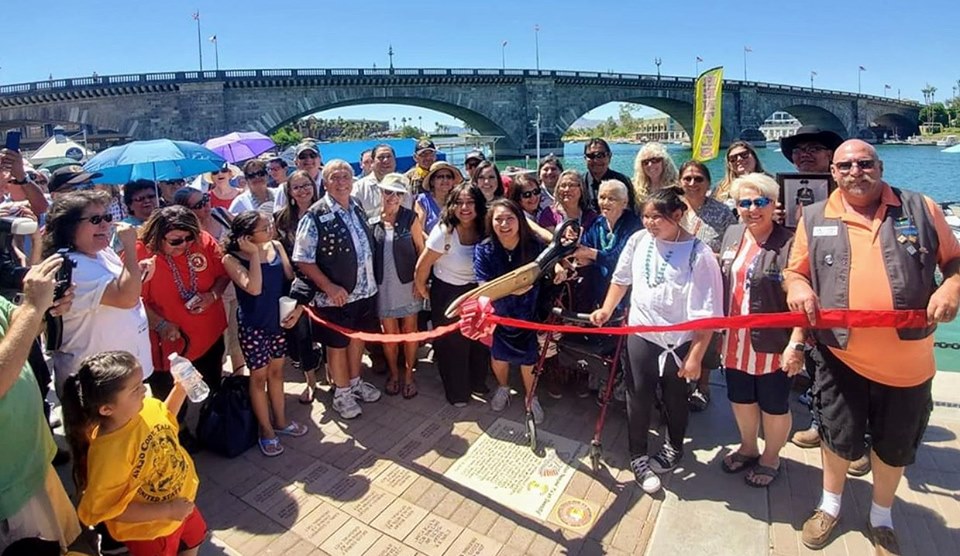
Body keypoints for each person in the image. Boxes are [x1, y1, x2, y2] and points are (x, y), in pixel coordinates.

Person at [785, 139, 960, 554]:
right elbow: (795, 271)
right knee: (836, 437)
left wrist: (951, 288)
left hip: (908, 362)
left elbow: (954, 262)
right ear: (833, 173)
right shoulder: (815, 216)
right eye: (845, 166)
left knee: (894, 445)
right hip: (839, 355)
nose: (855, 172)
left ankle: (881, 515)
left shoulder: (921, 208)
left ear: (879, 166)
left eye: (864, 163)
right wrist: (798, 288)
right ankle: (830, 505)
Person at [590, 186, 722, 495]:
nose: (650, 223)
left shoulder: (699, 255)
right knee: (638, 398)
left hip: (679, 343)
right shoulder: (638, 241)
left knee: (676, 399)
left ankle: (674, 446)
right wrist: (606, 309)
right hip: (641, 334)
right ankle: (638, 456)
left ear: (677, 216)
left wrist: (695, 356)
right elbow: (622, 279)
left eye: (657, 217)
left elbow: (708, 314)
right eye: (645, 216)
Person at [62, 351, 206, 556]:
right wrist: (169, 510)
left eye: (141, 383)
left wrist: (180, 389)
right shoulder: (108, 454)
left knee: (193, 541)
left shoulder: (143, 407)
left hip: (181, 504)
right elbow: (111, 508)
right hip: (150, 530)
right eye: (135, 389)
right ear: (106, 409)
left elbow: (164, 418)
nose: (144, 390)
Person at [717, 173, 799, 488]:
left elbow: (801, 295)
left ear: (773, 203)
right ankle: (749, 447)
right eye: (745, 203)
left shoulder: (790, 241)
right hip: (735, 340)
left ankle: (771, 456)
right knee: (741, 398)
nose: (753, 209)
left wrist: (797, 342)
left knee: (774, 403)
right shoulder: (733, 234)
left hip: (773, 342)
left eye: (760, 201)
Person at [0, 256, 81, 554]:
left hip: (33, 463)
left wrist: (44, 310)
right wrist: (34, 307)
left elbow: (18, 330)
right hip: (10, 493)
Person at [290, 160, 381, 420]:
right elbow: (302, 258)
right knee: (337, 345)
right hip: (335, 296)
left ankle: (354, 382)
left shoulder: (357, 207)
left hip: (365, 291)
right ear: (325, 183)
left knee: (357, 339)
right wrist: (328, 286)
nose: (341, 182)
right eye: (335, 178)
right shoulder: (315, 215)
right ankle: (341, 393)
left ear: (352, 180)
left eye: (345, 177)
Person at [136, 206, 230, 447]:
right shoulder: (140, 254)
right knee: (171, 394)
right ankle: (179, 432)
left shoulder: (202, 240)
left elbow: (222, 274)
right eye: (176, 241)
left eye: (190, 238)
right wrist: (161, 324)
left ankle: (210, 421)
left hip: (209, 333)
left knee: (211, 382)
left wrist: (213, 295)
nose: (185, 245)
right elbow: (132, 301)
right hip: (171, 342)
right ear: (157, 237)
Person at [42, 190, 153, 393]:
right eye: (95, 219)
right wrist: (130, 246)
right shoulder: (69, 265)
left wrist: (138, 269)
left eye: (107, 217)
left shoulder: (101, 252)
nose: (105, 224)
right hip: (98, 384)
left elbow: (123, 283)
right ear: (69, 225)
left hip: (122, 377)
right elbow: (126, 297)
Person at [222, 212, 308, 456]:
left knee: (277, 372)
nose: (270, 228)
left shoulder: (277, 246)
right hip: (254, 327)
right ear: (247, 236)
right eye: (264, 227)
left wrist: (297, 307)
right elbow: (254, 287)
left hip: (278, 323)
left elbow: (290, 279)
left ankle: (280, 421)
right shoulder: (231, 258)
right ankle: (265, 429)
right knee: (258, 378)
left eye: (269, 223)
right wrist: (253, 255)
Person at [414, 183, 490, 406]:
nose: (464, 207)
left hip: (477, 291)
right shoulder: (443, 231)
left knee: (478, 341)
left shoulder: (486, 227)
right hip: (447, 292)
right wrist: (424, 291)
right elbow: (422, 266)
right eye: (459, 202)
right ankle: (457, 392)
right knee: (453, 345)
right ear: (451, 206)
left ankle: (477, 381)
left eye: (470, 202)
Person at [475, 199, 545, 421]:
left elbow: (547, 272)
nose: (504, 224)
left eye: (510, 218)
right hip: (499, 316)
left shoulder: (534, 246)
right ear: (491, 222)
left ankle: (531, 397)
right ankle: (503, 387)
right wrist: (509, 291)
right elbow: (482, 285)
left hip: (529, 315)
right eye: (498, 219)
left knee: (529, 359)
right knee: (499, 356)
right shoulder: (484, 249)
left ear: (520, 221)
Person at [677, 160, 738, 411]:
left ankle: (703, 387)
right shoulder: (673, 208)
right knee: (680, 336)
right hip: (677, 282)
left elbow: (732, 247)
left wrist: (715, 257)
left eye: (698, 179)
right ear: (679, 182)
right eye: (687, 178)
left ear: (708, 183)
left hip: (708, 284)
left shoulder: (722, 212)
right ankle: (678, 382)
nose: (692, 184)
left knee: (706, 338)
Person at [371, 173, 425, 399]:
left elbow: (421, 250)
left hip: (408, 283)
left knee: (410, 332)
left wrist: (420, 281)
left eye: (398, 193)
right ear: (381, 193)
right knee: (390, 335)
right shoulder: (371, 220)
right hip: (383, 285)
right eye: (388, 192)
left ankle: (409, 376)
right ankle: (394, 375)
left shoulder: (410, 218)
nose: (392, 197)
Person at [274, 171, 324, 404]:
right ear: (290, 192)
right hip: (294, 283)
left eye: (307, 185)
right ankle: (310, 381)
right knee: (301, 333)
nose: (303, 190)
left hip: (324, 281)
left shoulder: (325, 211)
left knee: (326, 331)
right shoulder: (280, 219)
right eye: (297, 187)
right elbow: (275, 250)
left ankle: (333, 377)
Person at [573, 180, 642, 313]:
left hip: (624, 293)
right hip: (598, 290)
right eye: (602, 197)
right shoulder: (597, 223)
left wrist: (590, 254)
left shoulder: (634, 225)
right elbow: (585, 246)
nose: (605, 202)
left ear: (624, 202)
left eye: (611, 199)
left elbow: (621, 259)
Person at [353, 144, 413, 220]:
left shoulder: (406, 185)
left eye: (389, 156)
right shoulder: (358, 188)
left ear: (395, 161)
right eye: (380, 157)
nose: (385, 160)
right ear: (372, 162)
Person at [537, 169, 598, 234]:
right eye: (563, 186)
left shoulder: (590, 216)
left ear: (581, 189)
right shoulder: (549, 214)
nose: (567, 189)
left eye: (571, 185)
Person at [583, 138, 636, 210]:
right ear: (585, 158)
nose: (596, 160)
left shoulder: (623, 181)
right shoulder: (580, 183)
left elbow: (630, 211)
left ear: (609, 156)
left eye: (600, 155)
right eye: (591, 156)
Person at [415, 161, 463, 239]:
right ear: (432, 181)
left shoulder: (458, 200)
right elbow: (419, 230)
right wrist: (434, 246)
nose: (445, 180)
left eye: (449, 177)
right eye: (440, 177)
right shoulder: (423, 200)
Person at [713, 141, 768, 208]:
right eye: (733, 158)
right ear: (729, 165)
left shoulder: (771, 183)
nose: (739, 159)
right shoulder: (720, 189)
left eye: (744, 155)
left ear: (754, 157)